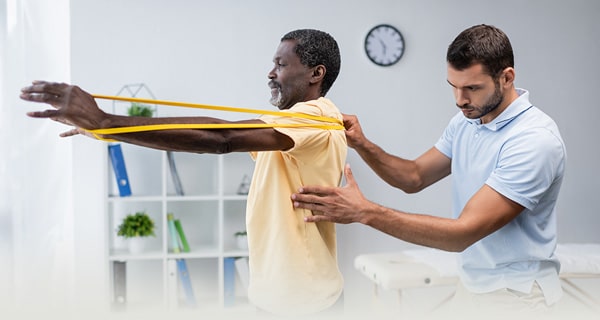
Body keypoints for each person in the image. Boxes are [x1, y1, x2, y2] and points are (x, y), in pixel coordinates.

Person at [21, 29, 346, 317]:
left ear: (316, 73)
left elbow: (222, 138)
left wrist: (106, 121)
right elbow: (215, 136)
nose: (271, 73)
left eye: (281, 64)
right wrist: (105, 131)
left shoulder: (314, 116)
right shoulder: (301, 124)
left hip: (302, 299)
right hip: (284, 293)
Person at [291, 24, 567, 317]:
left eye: (472, 88)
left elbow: (463, 233)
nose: (459, 99)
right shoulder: (467, 121)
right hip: (473, 286)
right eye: (454, 86)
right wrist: (362, 144)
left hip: (518, 296)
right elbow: (414, 177)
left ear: (507, 77)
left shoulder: (533, 140)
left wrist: (365, 212)